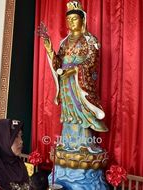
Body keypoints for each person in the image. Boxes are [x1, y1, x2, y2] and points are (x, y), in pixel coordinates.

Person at [41, 0, 108, 152]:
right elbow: (58, 62)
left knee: (82, 110)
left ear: (82, 20)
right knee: (68, 112)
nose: (71, 22)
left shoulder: (90, 40)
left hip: (80, 82)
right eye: (68, 19)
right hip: (66, 81)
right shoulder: (64, 42)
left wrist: (75, 70)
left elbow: (92, 60)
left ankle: (84, 144)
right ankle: (68, 143)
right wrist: (50, 48)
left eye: (74, 18)